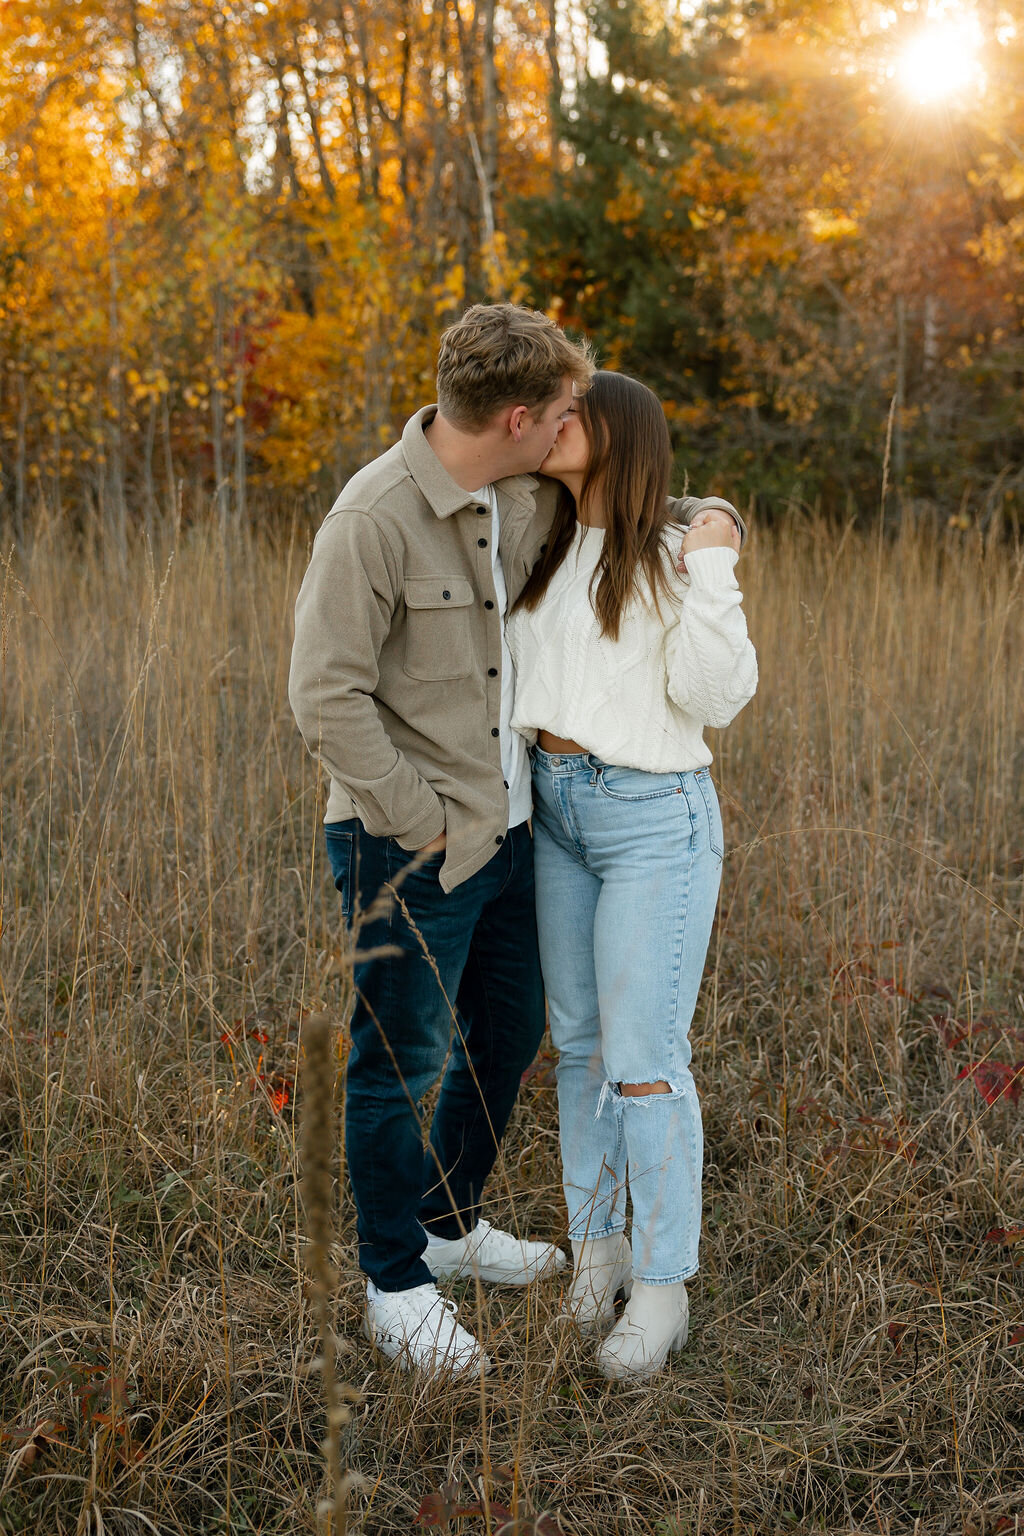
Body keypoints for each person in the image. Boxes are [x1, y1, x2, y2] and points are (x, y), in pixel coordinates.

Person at [288, 303, 594, 1379]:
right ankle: (394, 1284)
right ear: (517, 418)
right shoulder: (370, 519)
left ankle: (448, 1224)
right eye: (561, 411)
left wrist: (714, 515)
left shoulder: (523, 493)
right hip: (408, 846)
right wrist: (422, 823)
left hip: (514, 835)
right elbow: (323, 697)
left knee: (505, 1036)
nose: (569, 427)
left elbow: (636, 498)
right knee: (398, 1063)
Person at [507, 370, 757, 1381]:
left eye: (575, 412)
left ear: (621, 434)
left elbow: (717, 695)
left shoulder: (670, 557)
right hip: (556, 811)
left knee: (644, 1061)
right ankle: (597, 1251)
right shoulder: (543, 539)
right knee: (578, 1048)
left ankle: (661, 1289)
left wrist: (715, 550)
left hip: (653, 819)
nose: (556, 422)